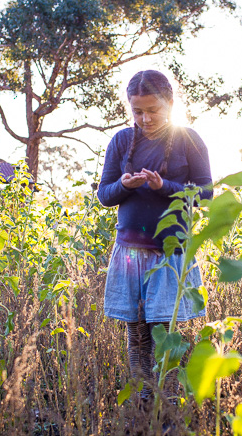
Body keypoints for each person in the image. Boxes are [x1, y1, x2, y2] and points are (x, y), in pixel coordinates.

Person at [97, 69, 213, 404]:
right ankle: (144, 400)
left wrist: (165, 187)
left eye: (153, 110)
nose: (145, 118)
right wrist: (124, 185)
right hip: (130, 253)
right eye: (138, 111)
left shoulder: (189, 140)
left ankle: (169, 402)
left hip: (170, 253)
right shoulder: (121, 141)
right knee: (136, 331)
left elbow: (206, 194)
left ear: (170, 104)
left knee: (165, 330)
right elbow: (104, 195)